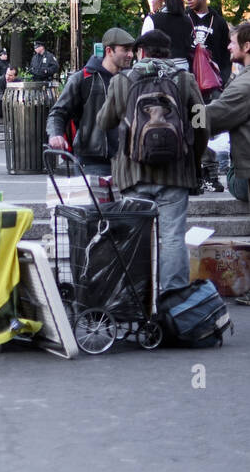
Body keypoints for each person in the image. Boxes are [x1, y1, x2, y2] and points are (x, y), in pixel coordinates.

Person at [96, 29, 206, 294]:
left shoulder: (122, 80)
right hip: (176, 174)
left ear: (141, 52)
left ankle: (138, 298)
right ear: (169, 53)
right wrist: (196, 158)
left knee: (136, 239)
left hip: (133, 174)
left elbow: (103, 121)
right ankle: (173, 299)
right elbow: (202, 122)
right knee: (172, 238)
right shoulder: (185, 79)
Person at [47, 27, 136, 175]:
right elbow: (57, 113)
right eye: (125, 49)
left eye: (132, 50)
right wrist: (55, 134)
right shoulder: (83, 78)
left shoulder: (130, 79)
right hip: (92, 162)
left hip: (126, 162)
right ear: (109, 51)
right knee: (94, 199)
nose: (130, 55)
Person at [207, 22, 250, 202]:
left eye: (232, 42)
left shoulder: (245, 84)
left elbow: (213, 117)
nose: (228, 47)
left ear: (247, 46)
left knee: (235, 181)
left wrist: (186, 111)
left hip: (246, 174)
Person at [185, 0, 230, 90]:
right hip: (188, 81)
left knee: (209, 109)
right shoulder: (183, 19)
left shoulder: (219, 22)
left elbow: (226, 53)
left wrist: (224, 78)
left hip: (213, 83)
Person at [147, 0, 191, 66]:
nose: (152, 1)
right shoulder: (187, 20)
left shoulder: (152, 20)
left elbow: (144, 51)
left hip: (159, 70)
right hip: (184, 70)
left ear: (164, 0)